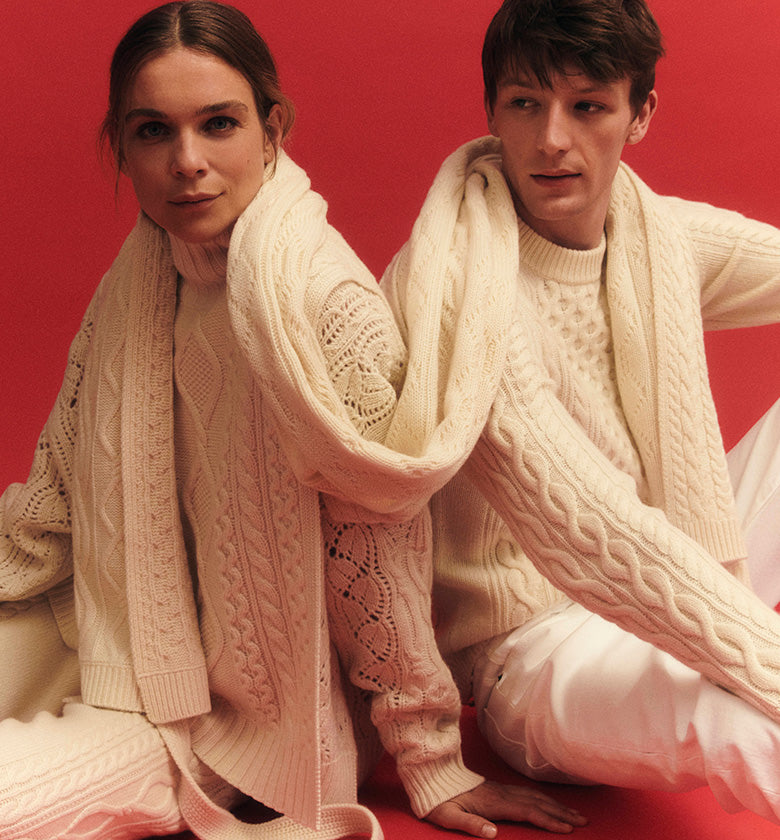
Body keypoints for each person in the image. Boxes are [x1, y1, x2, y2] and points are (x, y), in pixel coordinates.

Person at [0, 2, 593, 838]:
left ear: (271, 128)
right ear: (122, 148)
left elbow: (379, 557)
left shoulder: (324, 305)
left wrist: (429, 756)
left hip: (235, 716)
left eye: (218, 124)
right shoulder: (138, 279)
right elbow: (59, 491)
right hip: (112, 625)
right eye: (153, 131)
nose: (187, 162)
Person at [378, 0, 780, 835]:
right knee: (745, 724)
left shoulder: (655, 238)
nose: (551, 139)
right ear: (493, 111)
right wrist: (763, 665)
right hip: (536, 652)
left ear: (640, 114)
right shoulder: (454, 287)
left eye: (588, 105)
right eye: (526, 103)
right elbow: (591, 531)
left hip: (671, 572)